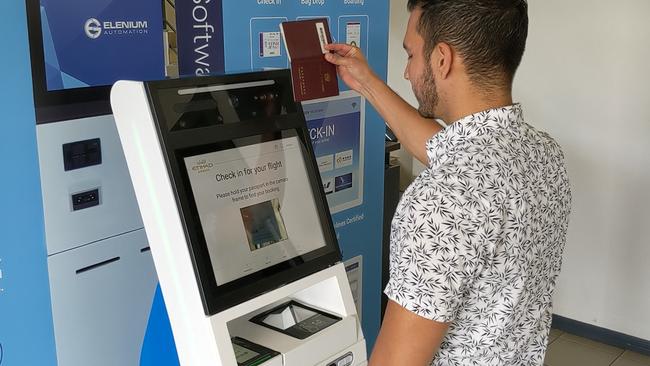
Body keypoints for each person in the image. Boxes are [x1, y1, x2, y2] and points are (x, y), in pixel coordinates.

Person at [324, 1, 571, 365]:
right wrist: (366, 82)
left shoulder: (440, 200)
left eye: (411, 55)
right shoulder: (544, 154)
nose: (407, 73)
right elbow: (447, 150)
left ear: (442, 59)